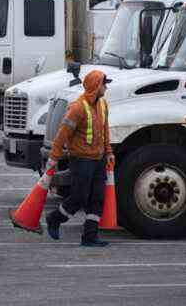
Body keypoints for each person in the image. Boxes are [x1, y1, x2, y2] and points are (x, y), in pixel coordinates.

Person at [45, 69, 114, 247]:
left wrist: (109, 152)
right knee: (79, 197)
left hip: (98, 160)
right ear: (96, 86)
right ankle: (54, 219)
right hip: (81, 160)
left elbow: (105, 131)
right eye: (104, 84)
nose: (106, 88)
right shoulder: (77, 108)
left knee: (98, 198)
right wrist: (53, 158)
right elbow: (62, 134)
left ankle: (89, 237)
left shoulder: (103, 104)